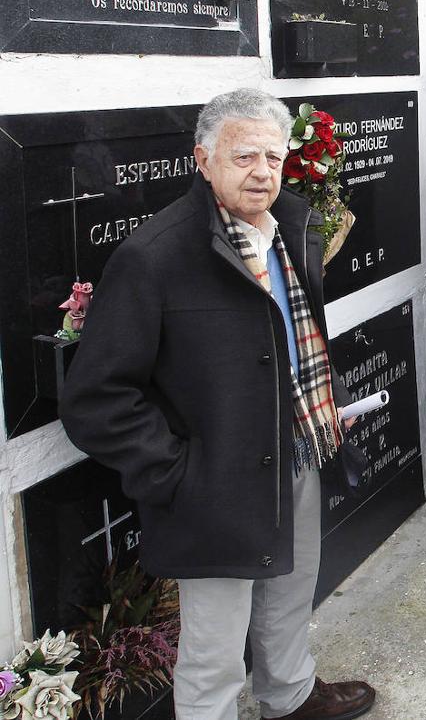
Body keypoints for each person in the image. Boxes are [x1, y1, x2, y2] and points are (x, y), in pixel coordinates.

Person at [59, 88, 375, 720]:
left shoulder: (294, 226)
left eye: (273, 156)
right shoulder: (156, 257)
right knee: (215, 647)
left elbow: (297, 333)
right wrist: (180, 474)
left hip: (302, 447)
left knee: (289, 595)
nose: (262, 172)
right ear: (203, 160)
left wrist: (325, 400)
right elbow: (96, 398)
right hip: (216, 483)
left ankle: (289, 695)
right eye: (243, 156)